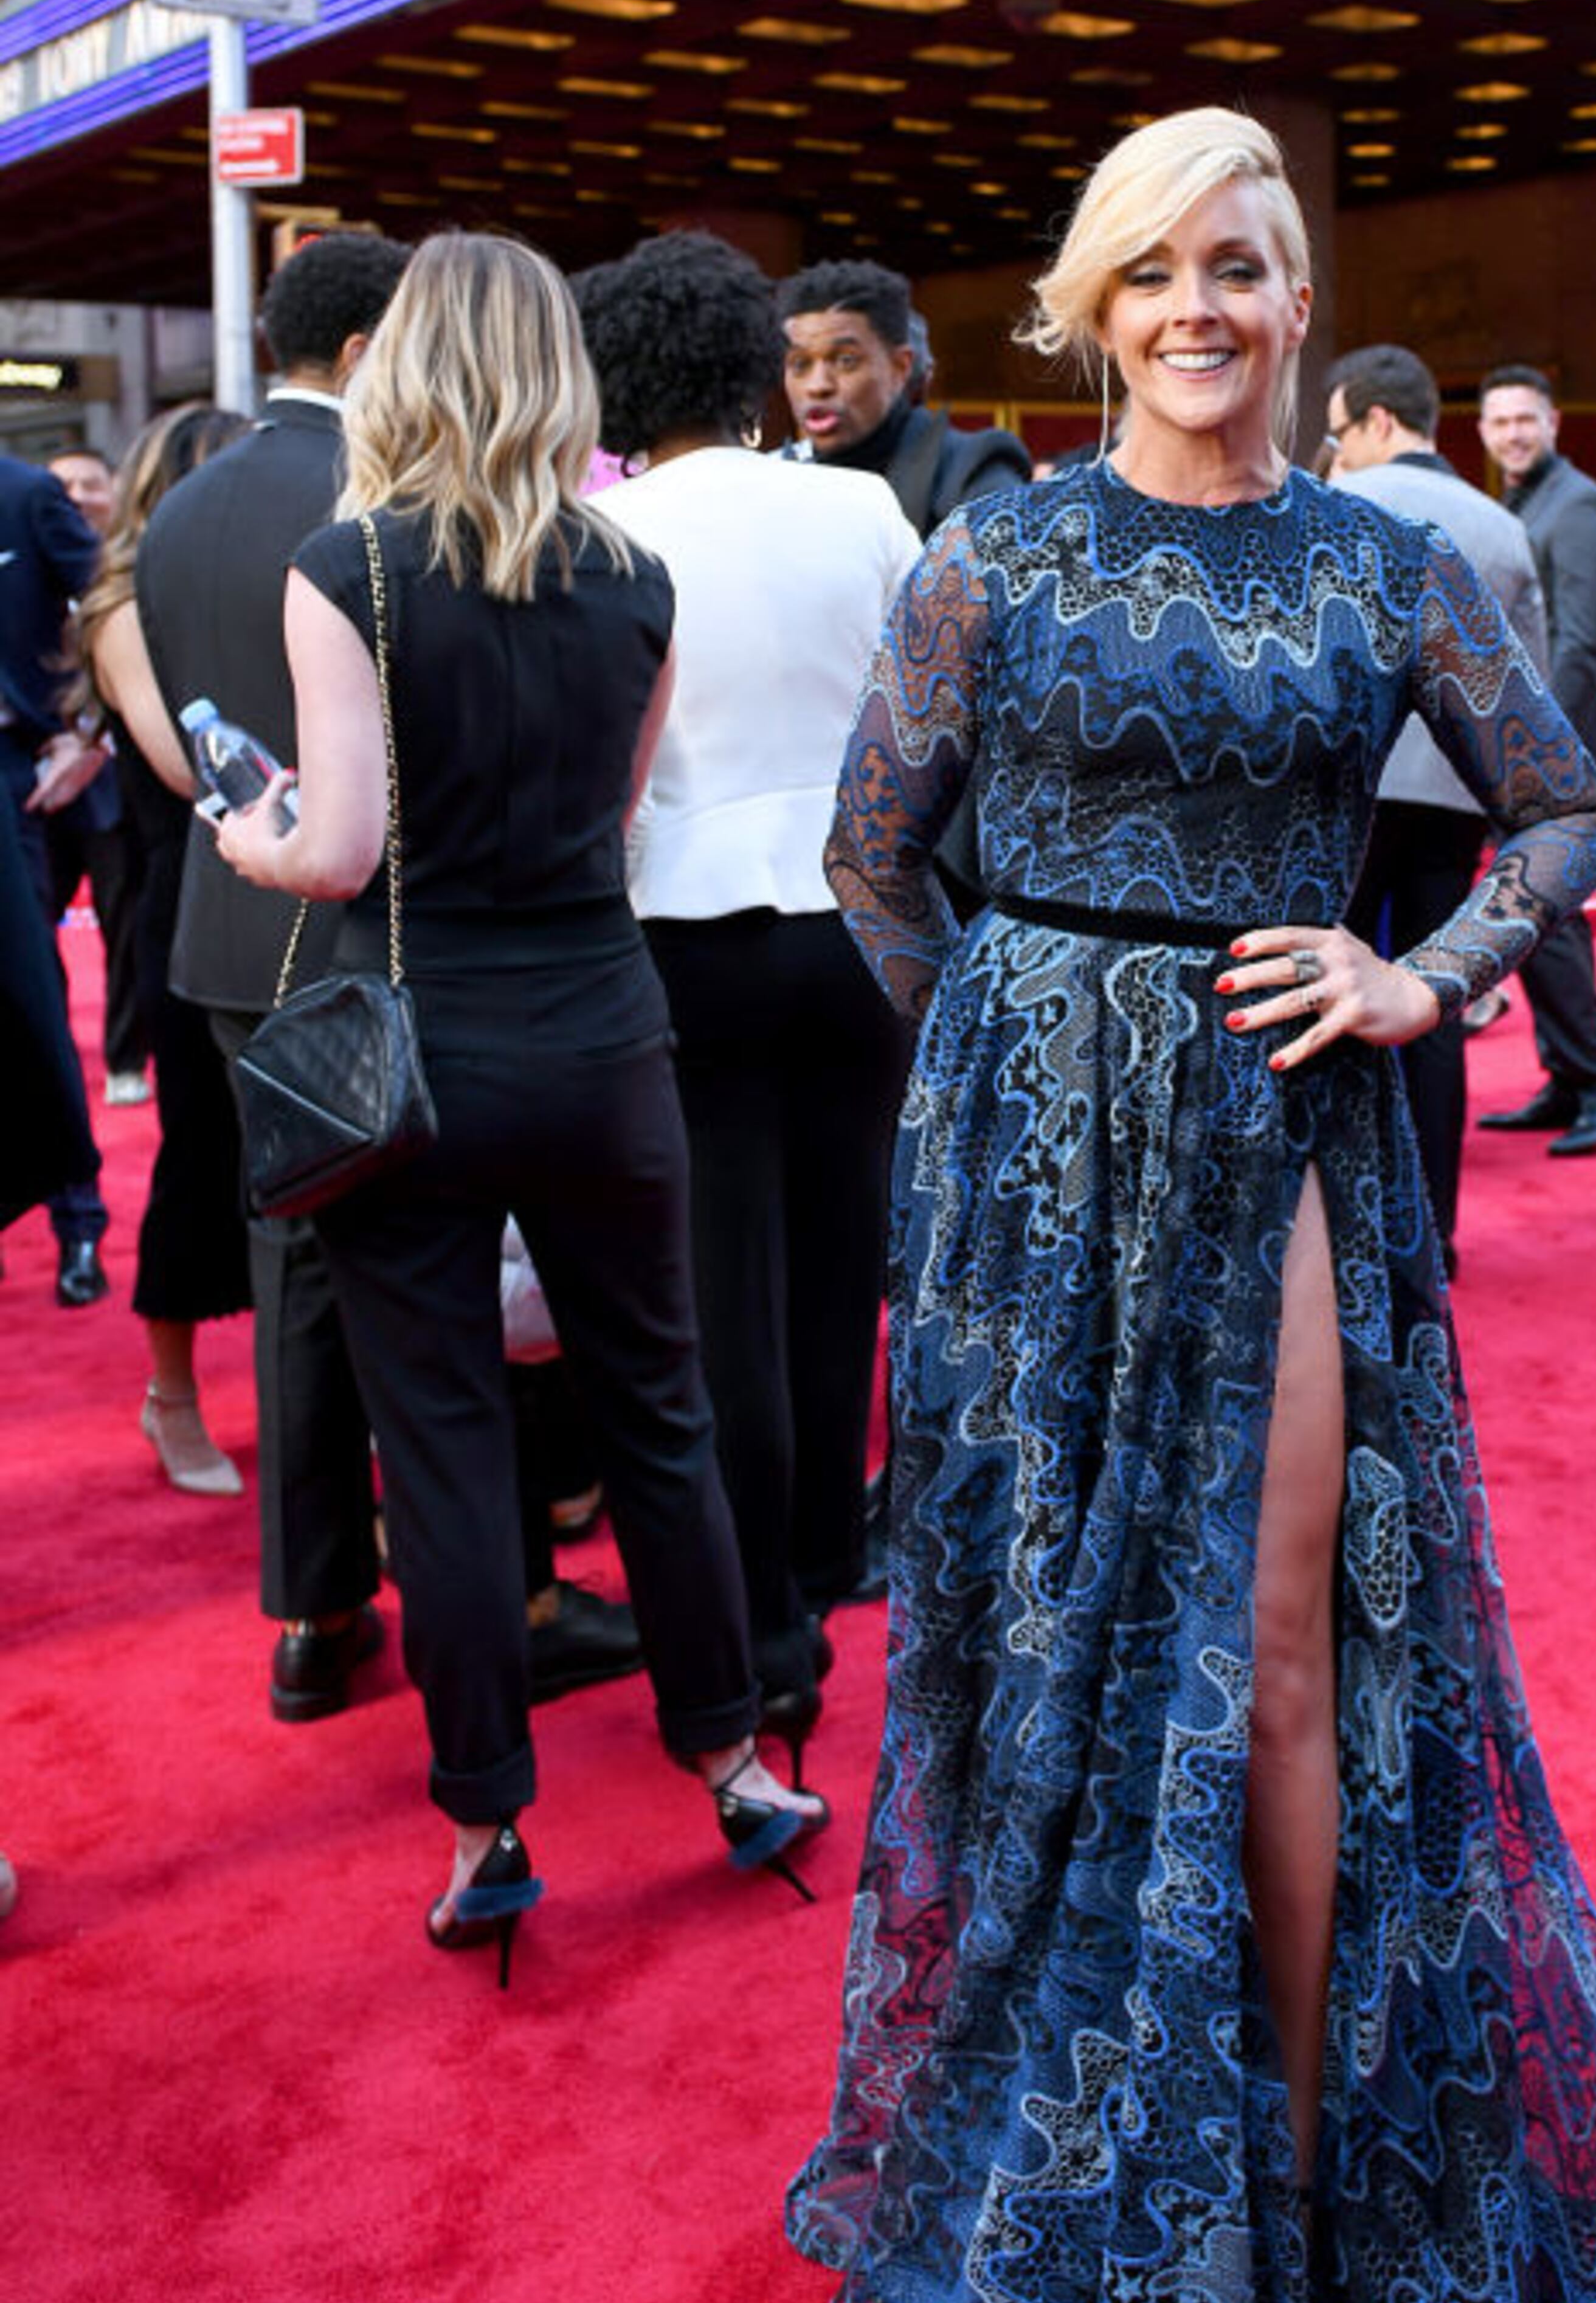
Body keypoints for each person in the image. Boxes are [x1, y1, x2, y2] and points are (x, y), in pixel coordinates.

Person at [786, 109, 1596, 2303]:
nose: (1203, 309)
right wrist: (1007, 1079)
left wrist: (1417, 974)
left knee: (1276, 1654)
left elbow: (1562, 816)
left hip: (1279, 1136)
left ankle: (1305, 2171)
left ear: (1295, 295)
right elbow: (873, 855)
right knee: (1036, 1647)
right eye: (1159, 270)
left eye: (1244, 265)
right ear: (1092, 303)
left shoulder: (1382, 560)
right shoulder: (995, 550)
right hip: (1037, 1188)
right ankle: (1052, 2131)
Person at [214, 232, 823, 1971]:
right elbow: (618, 822)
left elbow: (338, 848)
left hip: (414, 1051)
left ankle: (488, 1821)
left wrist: (250, 834)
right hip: (601, 1034)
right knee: (658, 1406)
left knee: (444, 1441)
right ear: (561, 371)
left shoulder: (350, 566)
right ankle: (732, 1759)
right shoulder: (636, 575)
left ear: (401, 365)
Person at [581, 230, 919, 1710]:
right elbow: (929, 720)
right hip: (855, 925)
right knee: (839, 1264)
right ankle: (826, 1557)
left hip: (680, 930)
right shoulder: (859, 506)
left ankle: (760, 1620)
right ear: (752, 363)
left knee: (717, 1291)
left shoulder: (596, 530)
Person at [134, 233, 406, 1714]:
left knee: (292, 1249)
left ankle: (314, 1604)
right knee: (413, 1250)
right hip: (369, 923)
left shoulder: (181, 505)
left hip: (230, 932)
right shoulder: (382, 492)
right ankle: (463, 1556)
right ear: (364, 351)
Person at [1322, 340, 1547, 1272]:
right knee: (1432, 1005)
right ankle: (1433, 1232)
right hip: (1454, 797)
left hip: (1346, 794)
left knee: (1324, 995)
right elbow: (1528, 686)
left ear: (1378, 421)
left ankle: (1330, 1225)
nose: (1335, 452)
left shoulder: (1334, 506)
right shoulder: (1501, 526)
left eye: (1340, 433)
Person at [77, 404, 256, 1493]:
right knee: (200, 1154)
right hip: (186, 906)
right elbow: (188, 767)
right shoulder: (123, 612)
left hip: (282, 891)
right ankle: (172, 1395)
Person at [1473, 360, 1596, 1152]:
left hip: (1550, 753)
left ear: (1553, 423)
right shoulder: (1524, 502)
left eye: (1526, 419)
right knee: (1539, 920)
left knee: (1545, 916)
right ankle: (1574, 1076)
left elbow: (1581, 645)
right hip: (1530, 747)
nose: (1513, 433)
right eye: (1500, 421)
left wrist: (1531, 752)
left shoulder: (1579, 506)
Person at [0, 446, 110, 1305]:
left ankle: (79, 1219)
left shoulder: (28, 494)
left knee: (32, 990)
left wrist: (93, 731)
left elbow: (115, 601)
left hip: (14, 775)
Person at [778, 258, 1031, 533]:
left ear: (901, 366)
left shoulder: (969, 468)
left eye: (846, 361)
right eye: (799, 364)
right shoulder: (775, 477)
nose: (818, 386)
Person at [43, 445, 146, 1103]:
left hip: (114, 778)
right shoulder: (26, 575)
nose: (79, 497)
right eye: (65, 488)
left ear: (115, 492)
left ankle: (126, 1058)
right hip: (41, 778)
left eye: (91, 484)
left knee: (124, 923)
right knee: (35, 922)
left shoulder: (131, 577)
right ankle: (50, 1050)